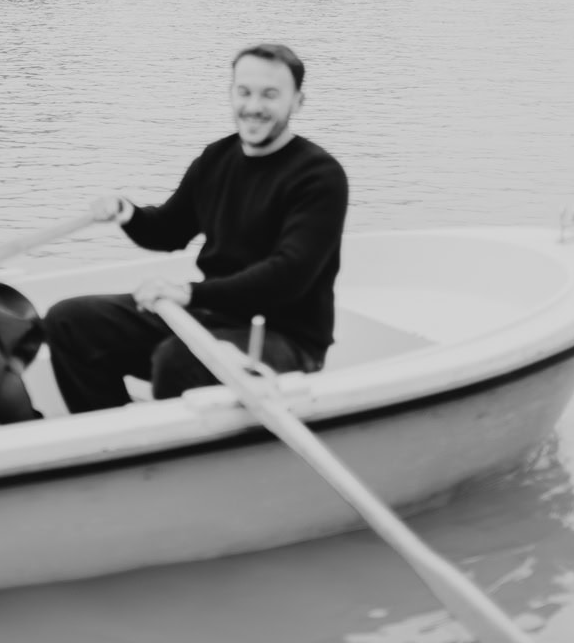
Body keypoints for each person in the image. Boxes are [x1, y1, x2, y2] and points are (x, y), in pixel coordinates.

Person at [45, 42, 349, 411]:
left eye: (270, 95)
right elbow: (168, 231)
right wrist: (127, 212)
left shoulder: (319, 177)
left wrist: (191, 294)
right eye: (244, 92)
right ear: (231, 94)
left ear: (297, 101)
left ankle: (172, 459)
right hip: (211, 317)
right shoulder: (216, 159)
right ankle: (113, 442)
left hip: (283, 338)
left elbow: (288, 276)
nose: (253, 107)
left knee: (178, 359)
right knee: (70, 322)